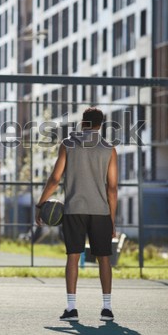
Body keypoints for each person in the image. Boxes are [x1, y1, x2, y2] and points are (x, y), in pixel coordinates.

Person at [35, 107, 118, 322]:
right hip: (100, 211)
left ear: (83, 123)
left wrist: (41, 204)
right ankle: (106, 308)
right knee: (104, 259)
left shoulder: (68, 145)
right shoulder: (109, 149)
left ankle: (71, 308)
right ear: (101, 125)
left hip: (74, 210)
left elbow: (54, 179)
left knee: (73, 256)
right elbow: (112, 188)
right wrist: (112, 218)